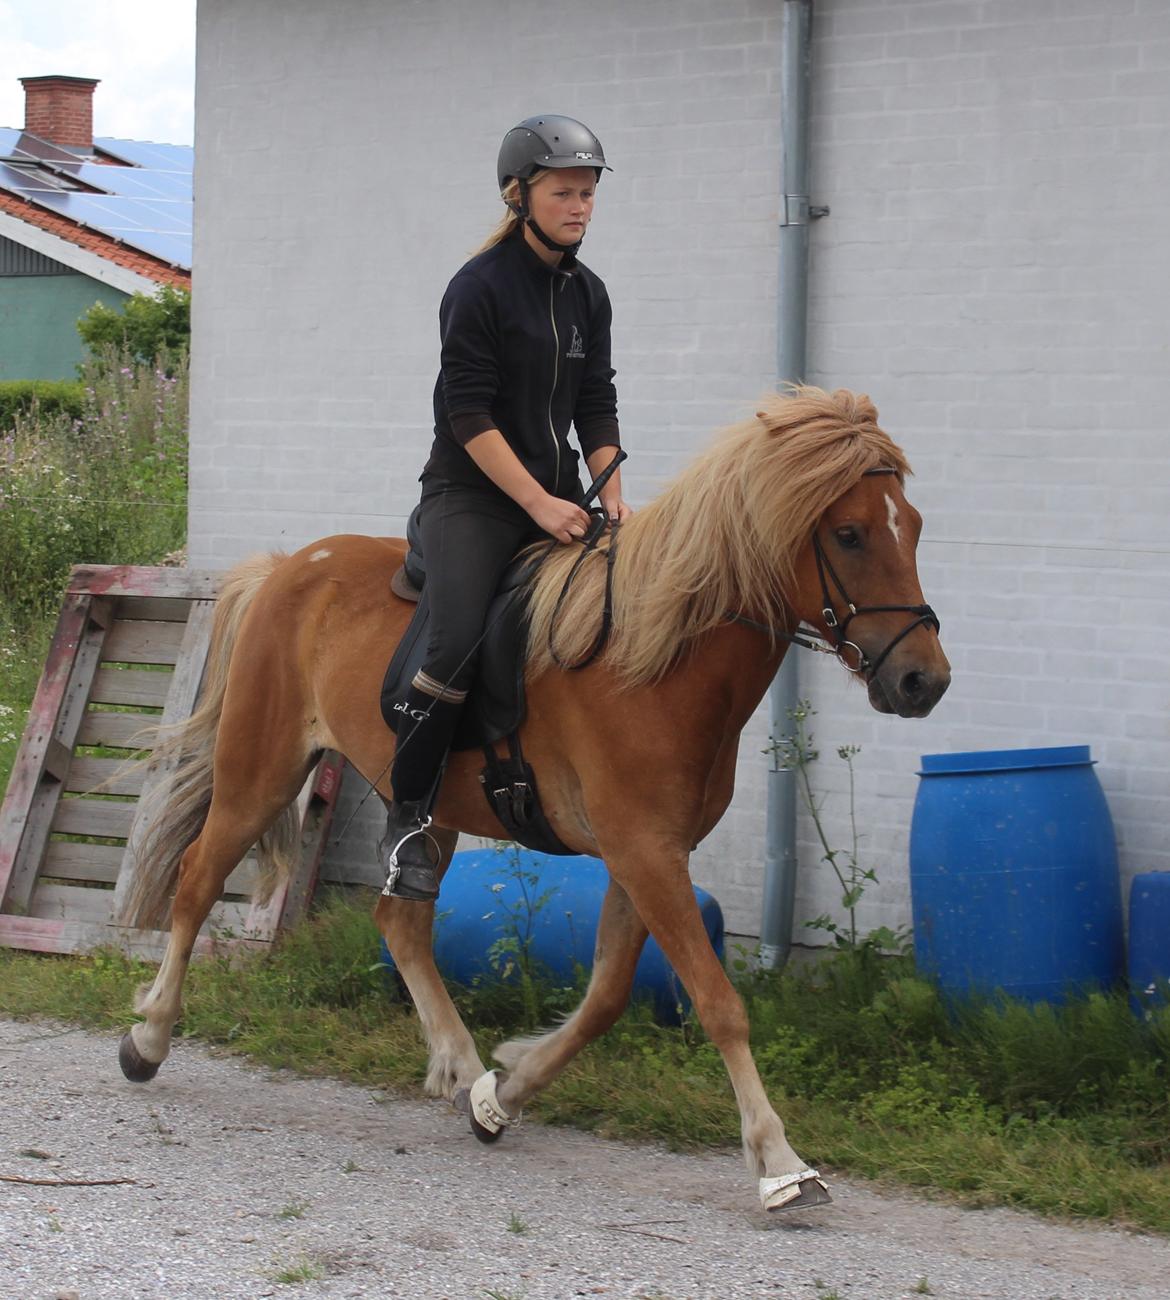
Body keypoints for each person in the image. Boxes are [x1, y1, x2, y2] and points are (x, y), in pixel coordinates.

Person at [380, 114, 631, 902]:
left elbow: (596, 400)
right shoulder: (477, 287)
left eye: (588, 193)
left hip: (556, 490)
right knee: (454, 639)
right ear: (519, 195)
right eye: (565, 192)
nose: (580, 206)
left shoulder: (588, 294)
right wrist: (540, 501)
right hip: (473, 495)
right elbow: (468, 414)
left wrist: (613, 493)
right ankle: (410, 820)